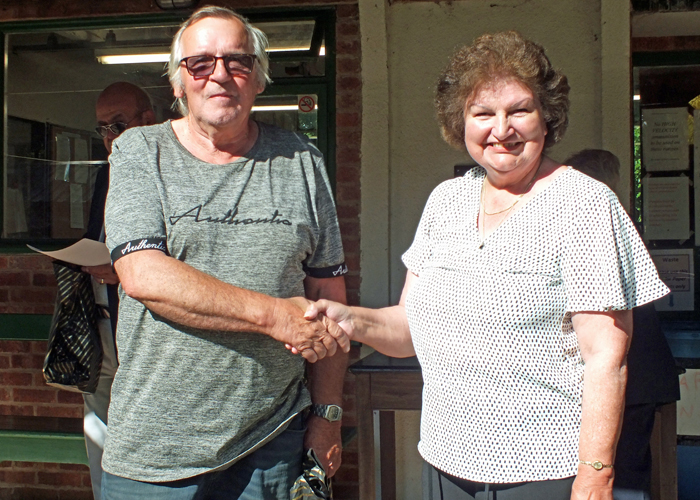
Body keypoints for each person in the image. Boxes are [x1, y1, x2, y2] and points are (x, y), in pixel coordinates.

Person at [303, 31, 669, 500]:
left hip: (546, 471)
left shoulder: (584, 204)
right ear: (461, 123)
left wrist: (595, 475)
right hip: (445, 462)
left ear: (547, 117)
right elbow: (409, 329)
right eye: (483, 114)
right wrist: (349, 319)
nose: (502, 128)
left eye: (519, 110)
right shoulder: (445, 201)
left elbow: (607, 359)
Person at [101, 6, 350, 499]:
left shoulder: (302, 160)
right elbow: (143, 275)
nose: (220, 75)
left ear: (258, 78)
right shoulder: (139, 152)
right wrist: (275, 316)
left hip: (274, 441)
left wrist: (328, 415)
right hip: (156, 451)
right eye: (200, 64)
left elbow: (328, 294)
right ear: (178, 83)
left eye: (238, 62)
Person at [565, 149, 681, 500]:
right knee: (628, 475)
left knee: (621, 480)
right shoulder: (623, 225)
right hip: (639, 376)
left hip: (625, 379)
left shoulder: (595, 230)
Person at [81, 81, 156, 499]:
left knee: (143, 434)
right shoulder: (104, 173)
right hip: (100, 322)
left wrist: (126, 270)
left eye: (118, 124)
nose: (110, 136)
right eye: (102, 128)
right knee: (97, 431)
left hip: (145, 328)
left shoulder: (169, 172)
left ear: (149, 119)